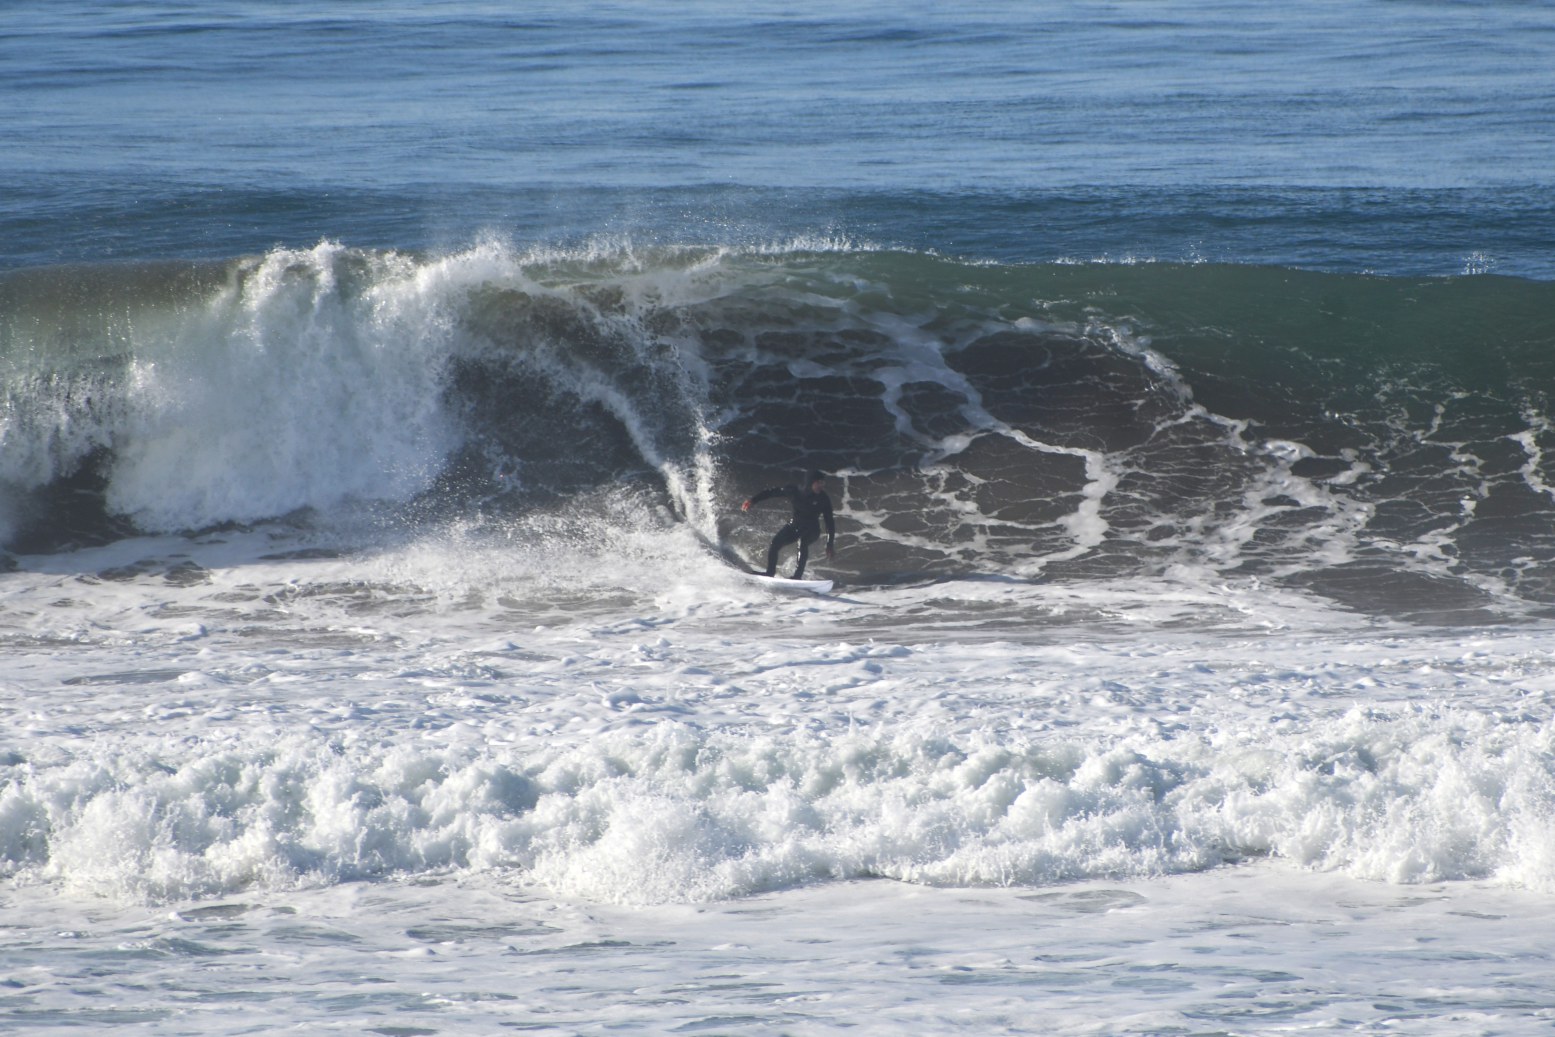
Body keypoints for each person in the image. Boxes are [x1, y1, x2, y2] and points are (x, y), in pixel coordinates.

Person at [741, 469, 836, 579]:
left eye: (823, 482)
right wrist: (753, 500)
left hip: (812, 529)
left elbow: (829, 522)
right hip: (795, 525)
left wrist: (829, 544)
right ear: (811, 482)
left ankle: (797, 577)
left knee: (803, 542)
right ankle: (770, 572)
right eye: (819, 482)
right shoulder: (794, 491)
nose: (821, 485)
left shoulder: (823, 499)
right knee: (775, 544)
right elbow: (772, 492)